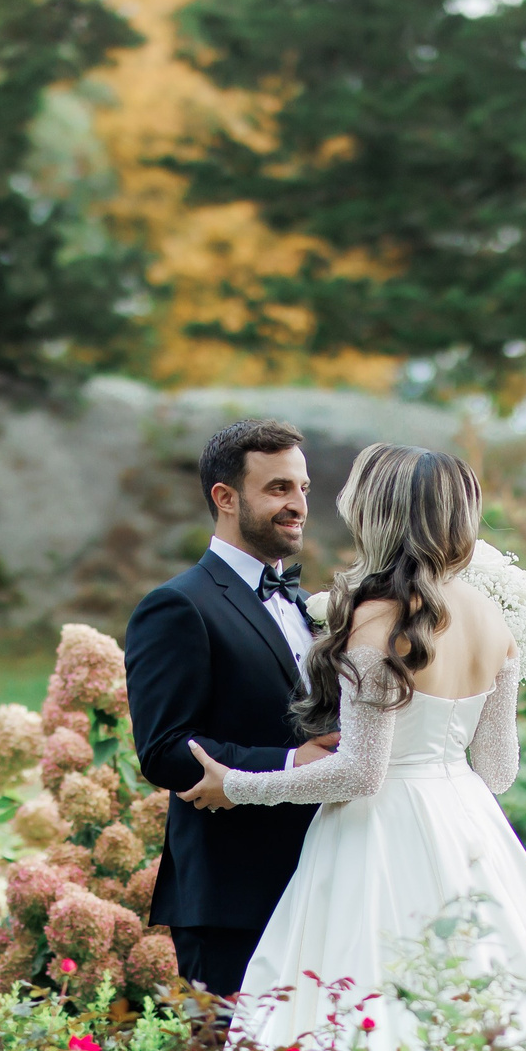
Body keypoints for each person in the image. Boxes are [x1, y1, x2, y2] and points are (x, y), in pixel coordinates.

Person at [175, 442, 526, 1051]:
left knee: (354, 1002)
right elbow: (499, 771)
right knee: (479, 1006)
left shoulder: (378, 621)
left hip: (378, 835)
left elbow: (362, 774)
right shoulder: (493, 620)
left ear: (378, 514)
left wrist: (237, 784)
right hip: (468, 830)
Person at [122, 419, 339, 998]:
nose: (298, 505)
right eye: (278, 489)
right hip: (231, 894)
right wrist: (291, 763)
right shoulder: (176, 607)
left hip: (321, 876)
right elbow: (165, 751)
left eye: (303, 489)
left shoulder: (305, 600)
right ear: (225, 497)